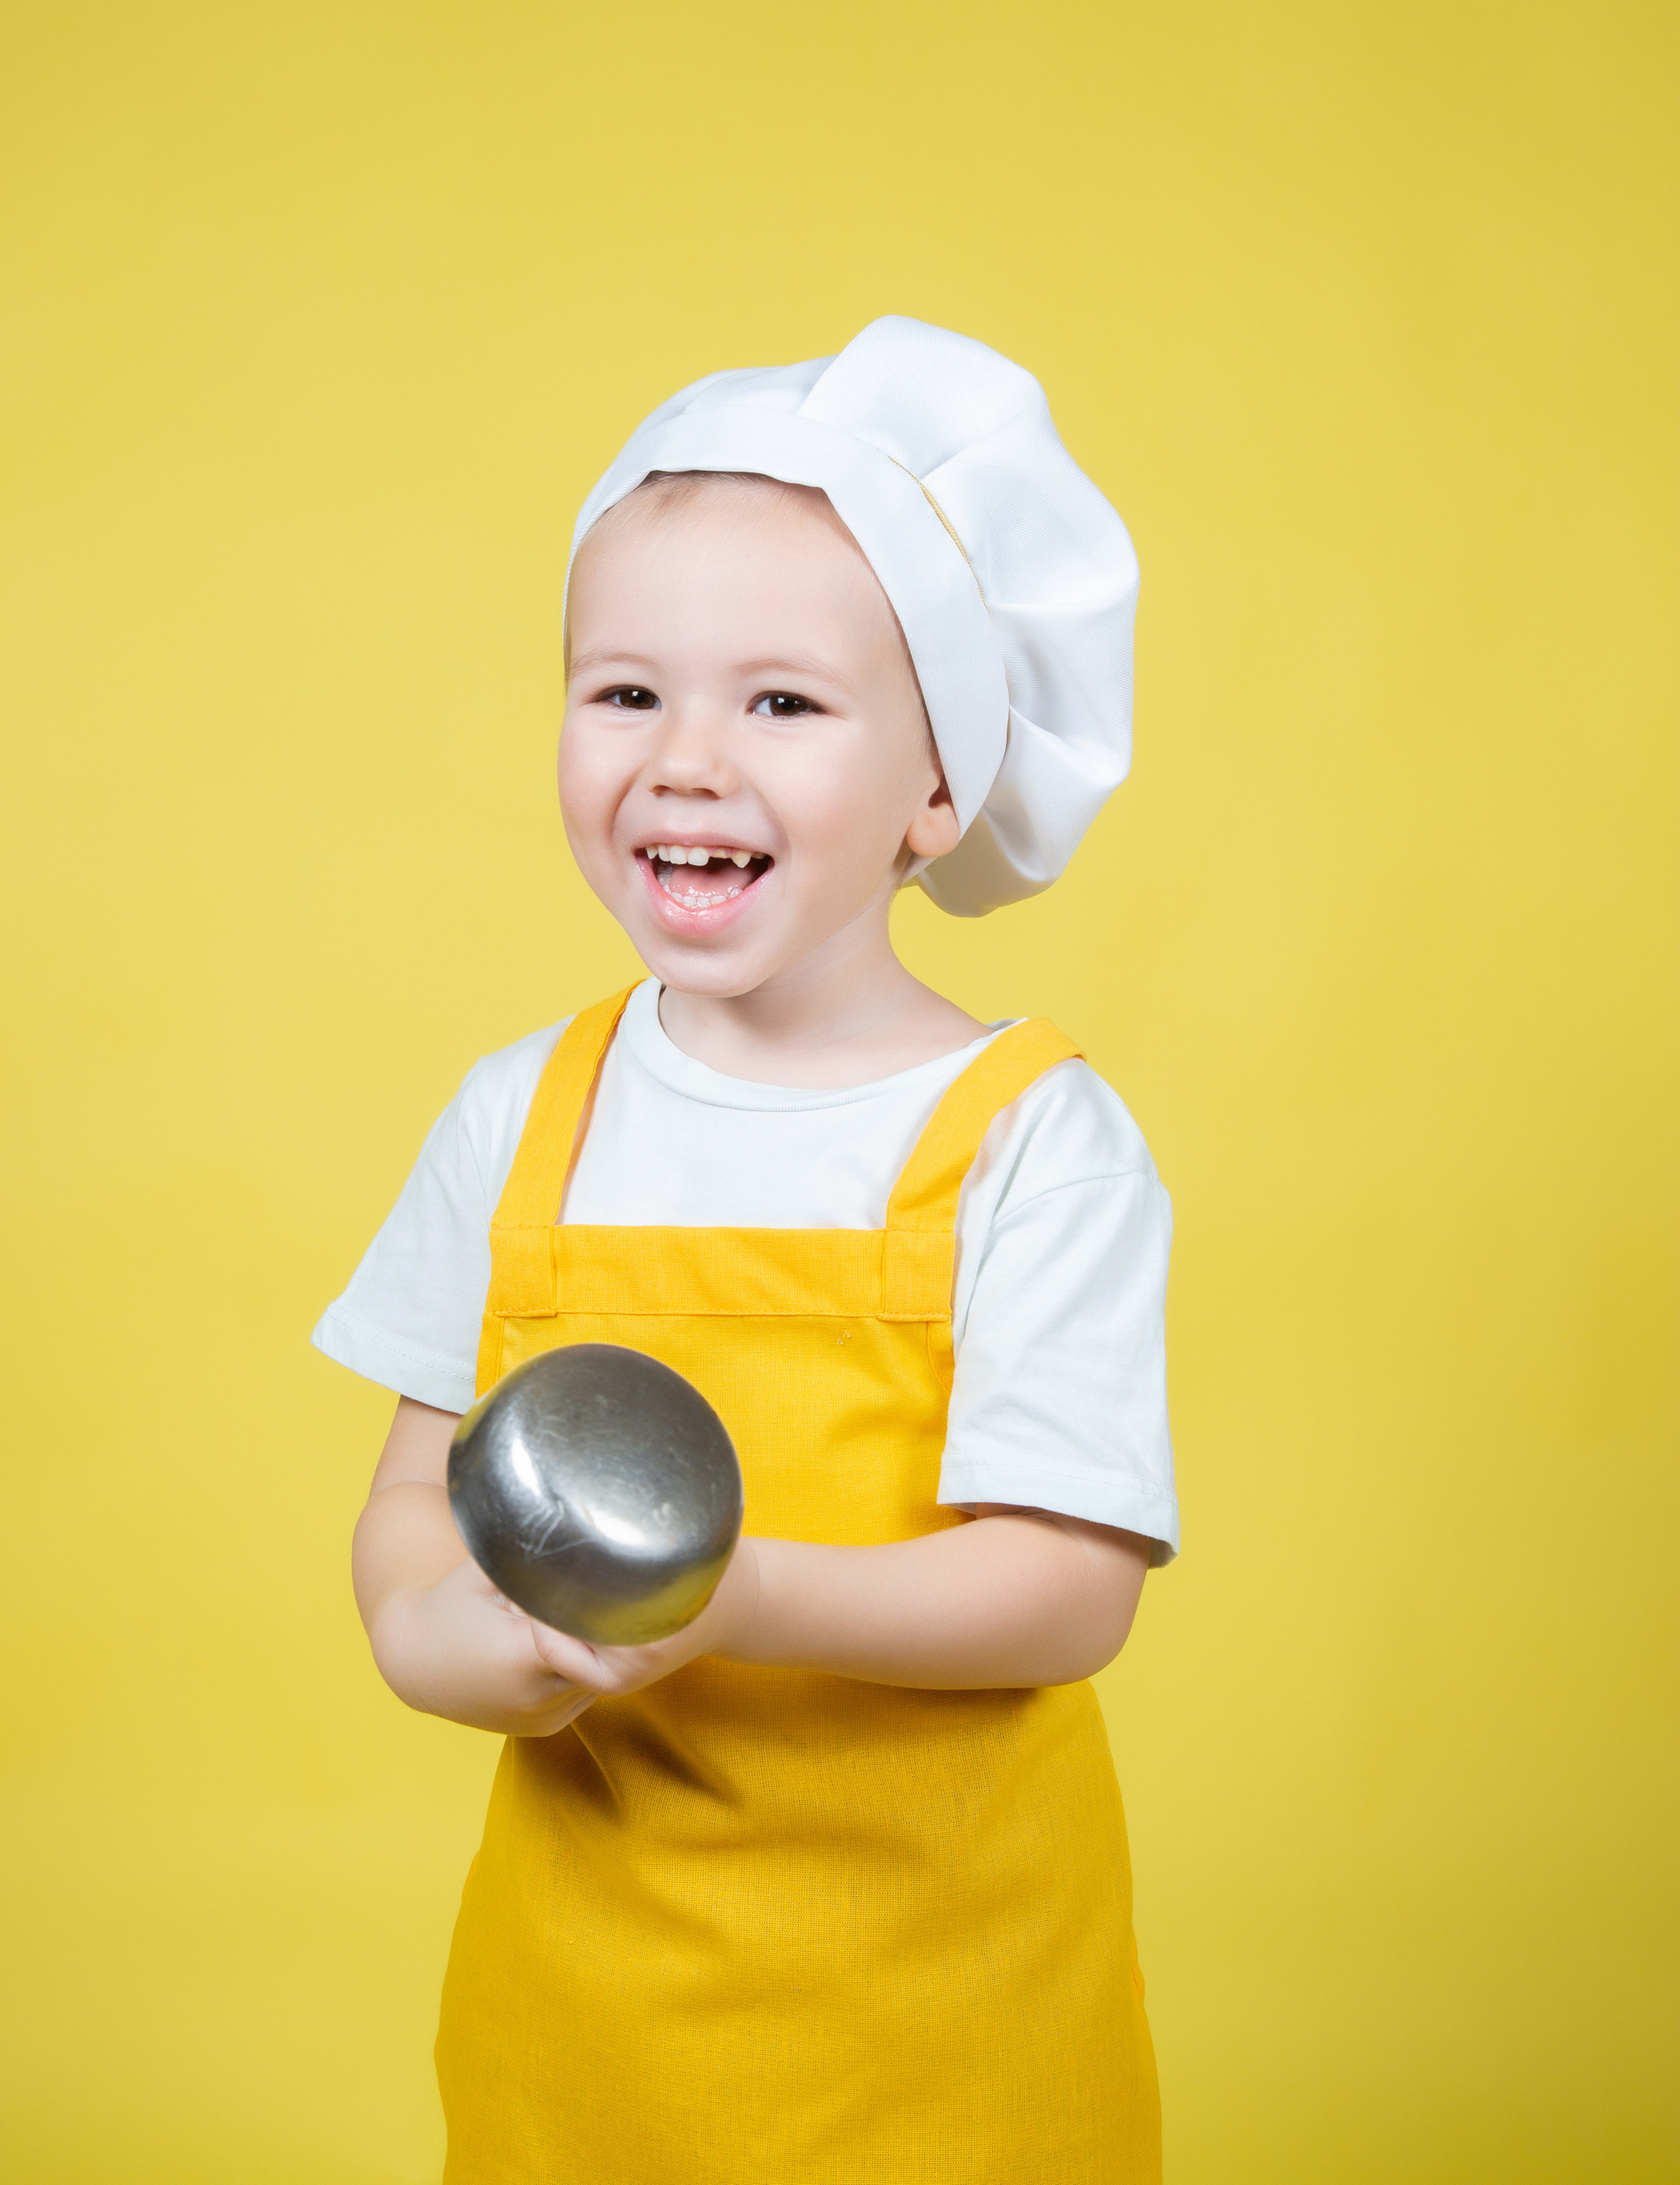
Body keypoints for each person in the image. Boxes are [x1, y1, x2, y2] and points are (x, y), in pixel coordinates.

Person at [315, 314, 1179, 2183]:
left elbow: (1065, 1586)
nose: (688, 761)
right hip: (586, 2030)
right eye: (625, 694)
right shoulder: (520, 1111)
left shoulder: (1031, 1143)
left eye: (782, 706)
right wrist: (439, 1637)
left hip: (943, 2035)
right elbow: (413, 1499)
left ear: (937, 793)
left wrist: (744, 1602)